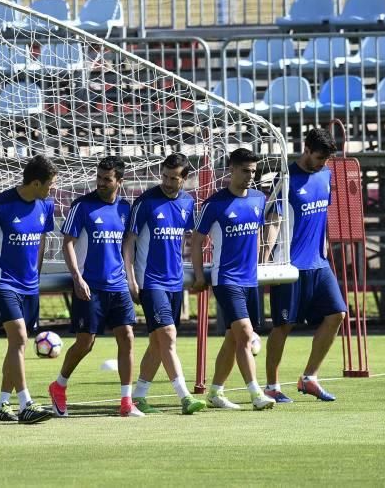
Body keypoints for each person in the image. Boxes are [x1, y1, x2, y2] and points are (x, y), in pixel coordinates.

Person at [48, 157, 144, 418]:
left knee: (127, 337)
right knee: (85, 343)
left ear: (119, 182)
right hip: (90, 286)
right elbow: (68, 242)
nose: (101, 183)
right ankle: (59, 386)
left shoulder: (126, 208)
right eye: (99, 177)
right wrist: (77, 278)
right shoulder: (82, 206)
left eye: (107, 179)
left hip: (118, 286)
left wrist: (130, 278)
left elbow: (126, 246)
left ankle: (126, 401)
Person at [263, 128, 347, 403]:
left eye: (326, 158)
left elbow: (322, 216)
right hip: (289, 266)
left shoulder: (326, 174)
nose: (323, 162)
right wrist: (265, 260)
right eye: (320, 157)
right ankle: (272, 386)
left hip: (318, 264)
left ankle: (309, 377)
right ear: (307, 149)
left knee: (337, 314)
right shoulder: (285, 178)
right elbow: (274, 219)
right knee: (283, 325)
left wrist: (324, 248)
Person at [0, 155, 58, 424]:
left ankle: (2, 403)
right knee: (19, 339)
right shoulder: (0, 207)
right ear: (35, 183)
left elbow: (41, 241)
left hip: (30, 285)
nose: (52, 189)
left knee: (15, 345)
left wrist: (37, 275)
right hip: (3, 282)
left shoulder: (46, 205)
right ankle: (26, 404)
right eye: (49, 184)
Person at [191, 148, 276, 411]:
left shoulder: (258, 199)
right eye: (245, 170)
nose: (250, 176)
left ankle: (216, 392)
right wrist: (197, 275)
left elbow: (260, 234)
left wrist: (263, 259)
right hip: (226, 280)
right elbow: (196, 241)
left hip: (251, 280)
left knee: (232, 338)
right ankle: (256, 394)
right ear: (231, 169)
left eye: (253, 171)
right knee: (245, 336)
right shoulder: (214, 204)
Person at [123, 153, 206, 415]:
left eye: (175, 178)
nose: (169, 182)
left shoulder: (187, 203)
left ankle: (139, 396)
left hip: (175, 281)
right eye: (166, 177)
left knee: (159, 344)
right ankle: (185, 397)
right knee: (168, 336)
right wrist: (131, 280)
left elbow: (193, 240)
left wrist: (198, 272)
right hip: (151, 282)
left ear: (185, 179)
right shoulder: (145, 202)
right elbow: (129, 243)